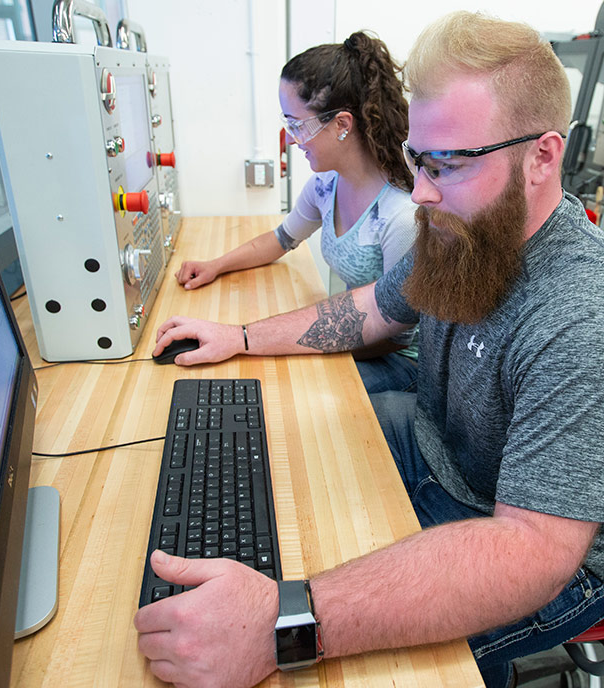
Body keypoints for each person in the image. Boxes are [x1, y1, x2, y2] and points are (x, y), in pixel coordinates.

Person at [135, 11, 604, 688]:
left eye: (446, 164)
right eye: (417, 159)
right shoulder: (461, 228)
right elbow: (372, 310)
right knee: (269, 461)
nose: (419, 190)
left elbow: (529, 551)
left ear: (542, 156)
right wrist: (238, 338)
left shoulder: (579, 314)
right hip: (439, 450)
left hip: (534, 548)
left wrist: (285, 621)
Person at [174, 31, 419, 395]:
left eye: (296, 124)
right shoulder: (326, 186)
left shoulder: (401, 216)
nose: (289, 138)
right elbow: (279, 240)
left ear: (342, 125)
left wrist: (282, 339)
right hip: (358, 335)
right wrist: (216, 265)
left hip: (397, 357)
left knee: (293, 392)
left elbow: (396, 330)